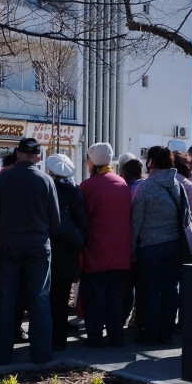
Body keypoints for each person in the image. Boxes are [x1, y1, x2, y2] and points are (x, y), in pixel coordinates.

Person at [0, 137, 59, 364]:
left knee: (5, 298)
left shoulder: (3, 178)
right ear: (38, 157)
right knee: (40, 299)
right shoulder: (46, 180)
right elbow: (55, 220)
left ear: (17, 154)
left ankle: (1, 354)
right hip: (38, 245)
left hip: (8, 244)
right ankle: (41, 354)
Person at [130, 146, 188, 345]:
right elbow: (185, 216)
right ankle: (166, 333)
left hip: (150, 246)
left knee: (151, 290)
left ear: (151, 162)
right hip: (174, 245)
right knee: (170, 289)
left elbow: (136, 221)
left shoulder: (145, 187)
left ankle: (151, 333)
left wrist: (132, 247)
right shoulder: (178, 186)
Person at [79, 143, 131, 348]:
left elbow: (83, 217)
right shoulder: (122, 184)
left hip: (96, 250)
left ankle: (95, 336)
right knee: (116, 296)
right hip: (120, 251)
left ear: (93, 161)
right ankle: (116, 335)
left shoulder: (88, 186)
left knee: (95, 296)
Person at [43, 155, 87, 350]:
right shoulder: (75, 193)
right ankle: (59, 340)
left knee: (44, 297)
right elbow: (83, 222)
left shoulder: (45, 190)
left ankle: (44, 338)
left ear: (50, 171)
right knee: (61, 299)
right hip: (68, 253)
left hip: (46, 251)